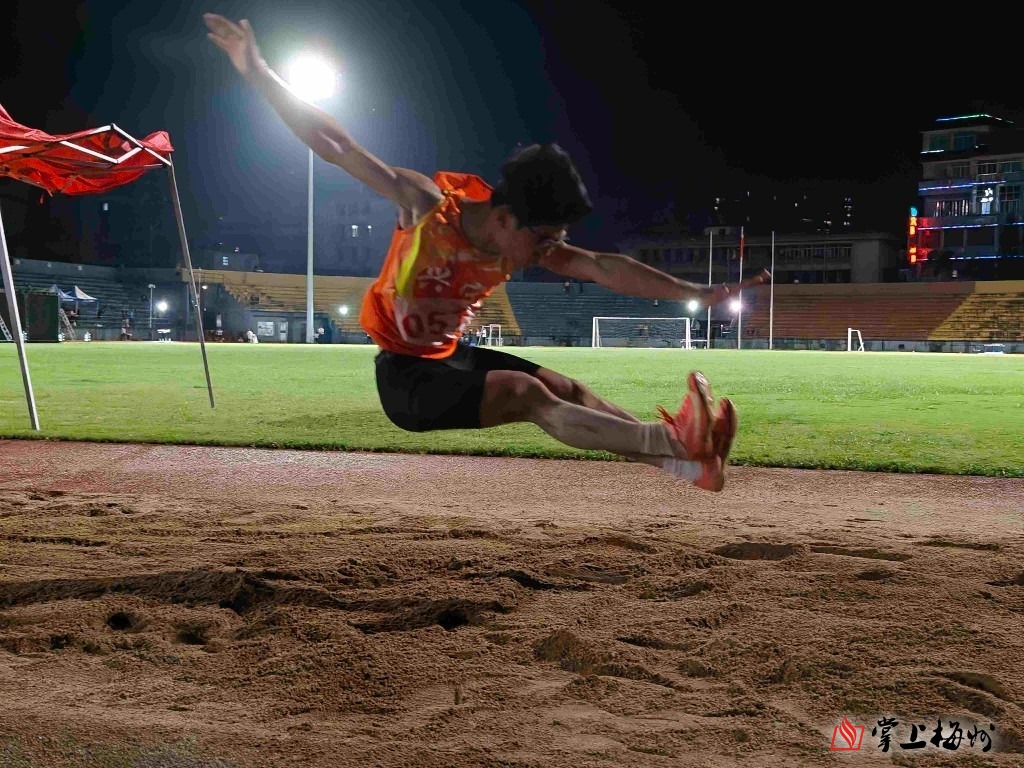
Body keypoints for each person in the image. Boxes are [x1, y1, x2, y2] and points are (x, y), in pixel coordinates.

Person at [204, 14, 771, 491]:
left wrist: (696, 291)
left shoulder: (520, 241)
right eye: (542, 239)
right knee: (525, 393)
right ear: (503, 218)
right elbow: (336, 144)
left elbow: (602, 266)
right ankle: (674, 443)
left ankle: (687, 465)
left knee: (568, 389)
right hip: (405, 380)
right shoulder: (426, 208)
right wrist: (258, 71)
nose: (548, 253)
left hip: (453, 357)